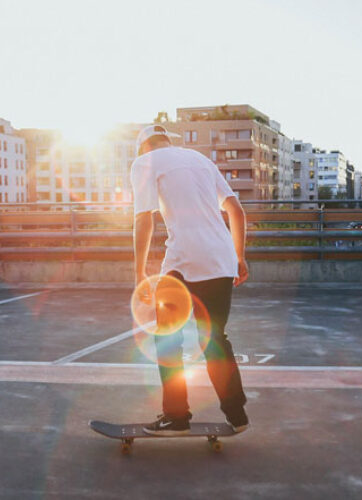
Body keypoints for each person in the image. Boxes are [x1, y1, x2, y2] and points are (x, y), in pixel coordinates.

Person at [130, 124, 250, 436]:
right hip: (221, 258)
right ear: (168, 141)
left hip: (184, 258)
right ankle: (237, 415)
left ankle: (176, 416)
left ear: (143, 147)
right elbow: (236, 210)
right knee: (215, 339)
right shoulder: (201, 161)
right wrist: (239, 256)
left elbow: (144, 218)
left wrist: (139, 272)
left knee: (168, 337)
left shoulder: (145, 162)